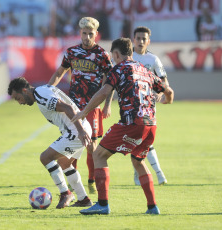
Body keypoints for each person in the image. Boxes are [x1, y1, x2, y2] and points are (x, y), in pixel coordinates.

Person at [71, 38, 174, 215]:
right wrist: (167, 101)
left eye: (113, 55)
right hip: (151, 124)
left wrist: (84, 111)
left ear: (116, 54)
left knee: (98, 155)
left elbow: (104, 92)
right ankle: (152, 206)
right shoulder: (144, 70)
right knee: (138, 160)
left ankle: (102, 204)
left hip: (131, 122)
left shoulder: (118, 68)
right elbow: (168, 91)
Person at [48, 17, 113, 195]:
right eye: (84, 33)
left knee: (91, 147)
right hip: (73, 106)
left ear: (96, 34)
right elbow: (60, 72)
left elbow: (111, 80)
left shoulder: (102, 54)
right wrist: (48, 89)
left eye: (90, 34)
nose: (87, 37)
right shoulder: (71, 52)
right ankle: (72, 181)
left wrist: (107, 104)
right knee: (73, 143)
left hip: (93, 106)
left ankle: (91, 180)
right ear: (80, 33)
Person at [8, 77, 93, 208]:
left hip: (77, 131)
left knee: (45, 157)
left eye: (18, 98)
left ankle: (65, 193)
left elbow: (68, 108)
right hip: (81, 127)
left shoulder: (41, 95)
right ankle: (83, 199)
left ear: (25, 90)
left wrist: (81, 131)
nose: (20, 102)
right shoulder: (43, 90)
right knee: (64, 163)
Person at [131, 26, 171, 186]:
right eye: (138, 38)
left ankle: (145, 173)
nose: (141, 41)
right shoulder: (128, 57)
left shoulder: (153, 60)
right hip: (130, 104)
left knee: (144, 139)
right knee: (138, 140)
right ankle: (154, 174)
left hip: (148, 104)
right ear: (133, 39)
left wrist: (161, 92)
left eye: (143, 39)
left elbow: (164, 81)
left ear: (148, 41)